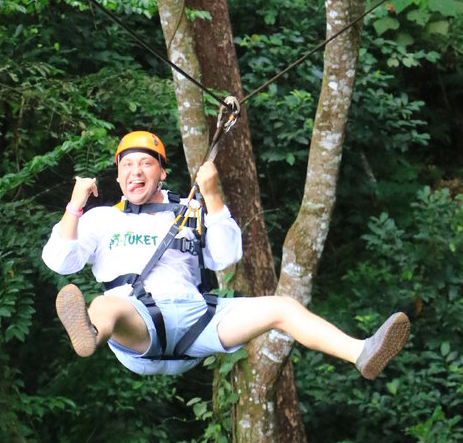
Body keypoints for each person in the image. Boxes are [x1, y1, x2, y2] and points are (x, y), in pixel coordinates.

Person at [42, 130, 410, 378]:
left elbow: (225, 257)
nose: (135, 171)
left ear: (162, 173)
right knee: (106, 306)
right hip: (138, 326)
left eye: (146, 164)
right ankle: (91, 332)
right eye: (127, 166)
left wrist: (212, 195)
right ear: (119, 178)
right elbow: (61, 261)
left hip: (197, 320)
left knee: (282, 308)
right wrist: (74, 206)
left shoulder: (188, 210)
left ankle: (361, 351)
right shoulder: (101, 218)